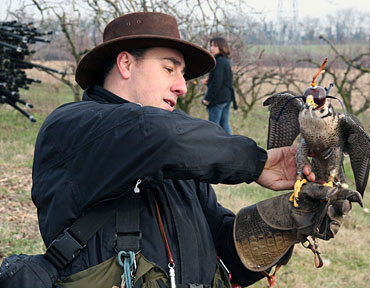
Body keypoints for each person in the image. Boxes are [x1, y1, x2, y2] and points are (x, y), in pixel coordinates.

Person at [31, 12, 353, 288]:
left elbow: (225, 250)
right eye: (169, 69)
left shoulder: (180, 162)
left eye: (183, 74)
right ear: (126, 64)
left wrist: (286, 220)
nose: (182, 86)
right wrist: (258, 162)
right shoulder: (72, 128)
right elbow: (158, 135)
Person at [202, 37, 234, 134]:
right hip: (227, 98)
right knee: (224, 125)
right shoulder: (226, 60)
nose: (211, 48)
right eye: (211, 45)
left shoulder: (218, 61)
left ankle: (214, 148)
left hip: (218, 99)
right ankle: (232, 146)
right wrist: (209, 81)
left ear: (221, 47)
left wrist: (207, 98)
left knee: (213, 127)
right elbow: (224, 80)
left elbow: (217, 83)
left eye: (214, 46)